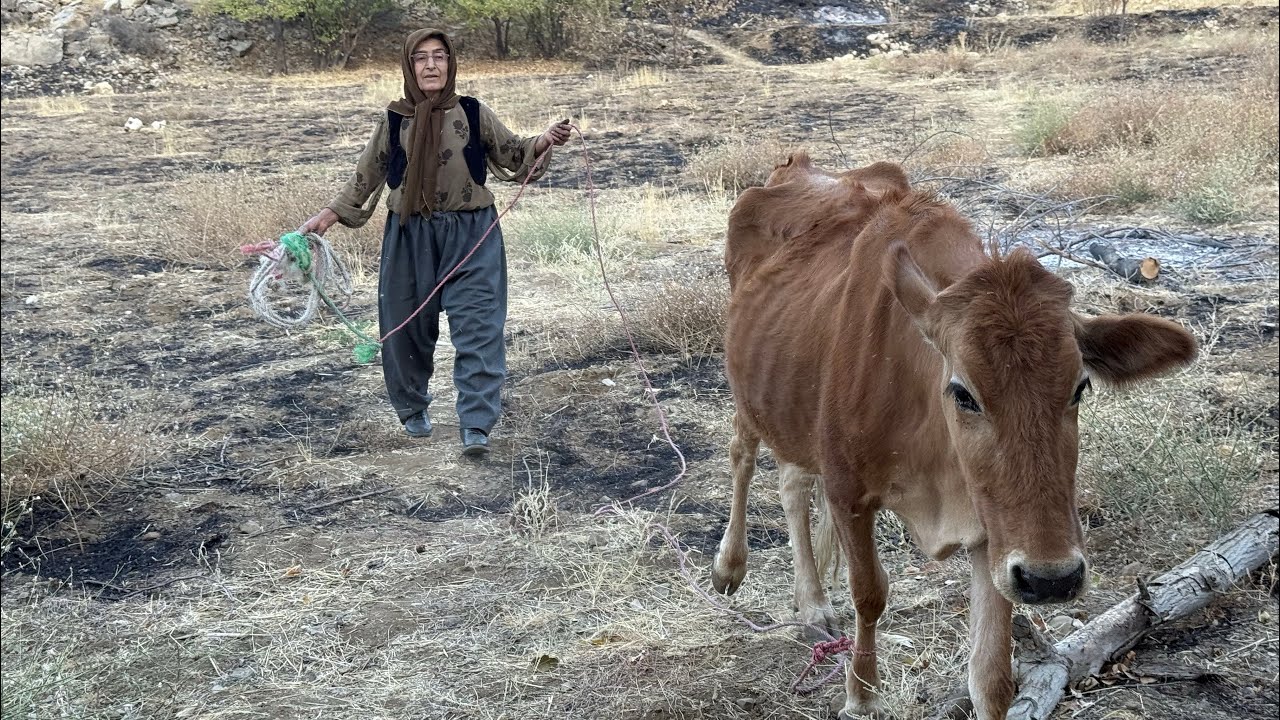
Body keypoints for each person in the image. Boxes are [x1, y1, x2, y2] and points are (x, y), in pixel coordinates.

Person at [302, 28, 572, 458]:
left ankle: (477, 425)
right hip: (410, 235)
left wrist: (543, 140)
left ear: (451, 64)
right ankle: (412, 409)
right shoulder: (394, 119)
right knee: (405, 328)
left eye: (440, 57)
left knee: (480, 327)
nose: (431, 65)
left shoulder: (472, 111)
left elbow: (513, 153)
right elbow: (366, 175)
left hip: (473, 234)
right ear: (409, 67)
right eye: (421, 58)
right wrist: (329, 216)